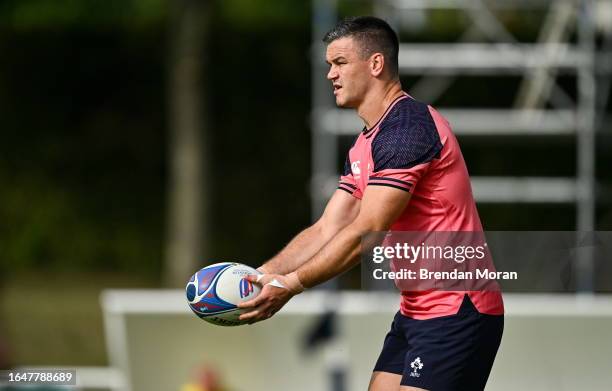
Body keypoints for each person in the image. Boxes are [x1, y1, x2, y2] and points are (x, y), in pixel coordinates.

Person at [238, 16, 504, 391]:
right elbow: (327, 228)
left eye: (340, 63)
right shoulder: (366, 143)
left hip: (460, 311)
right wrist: (260, 275)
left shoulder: (407, 129)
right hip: (416, 312)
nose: (330, 74)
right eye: (329, 64)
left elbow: (367, 230)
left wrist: (291, 285)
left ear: (376, 64)